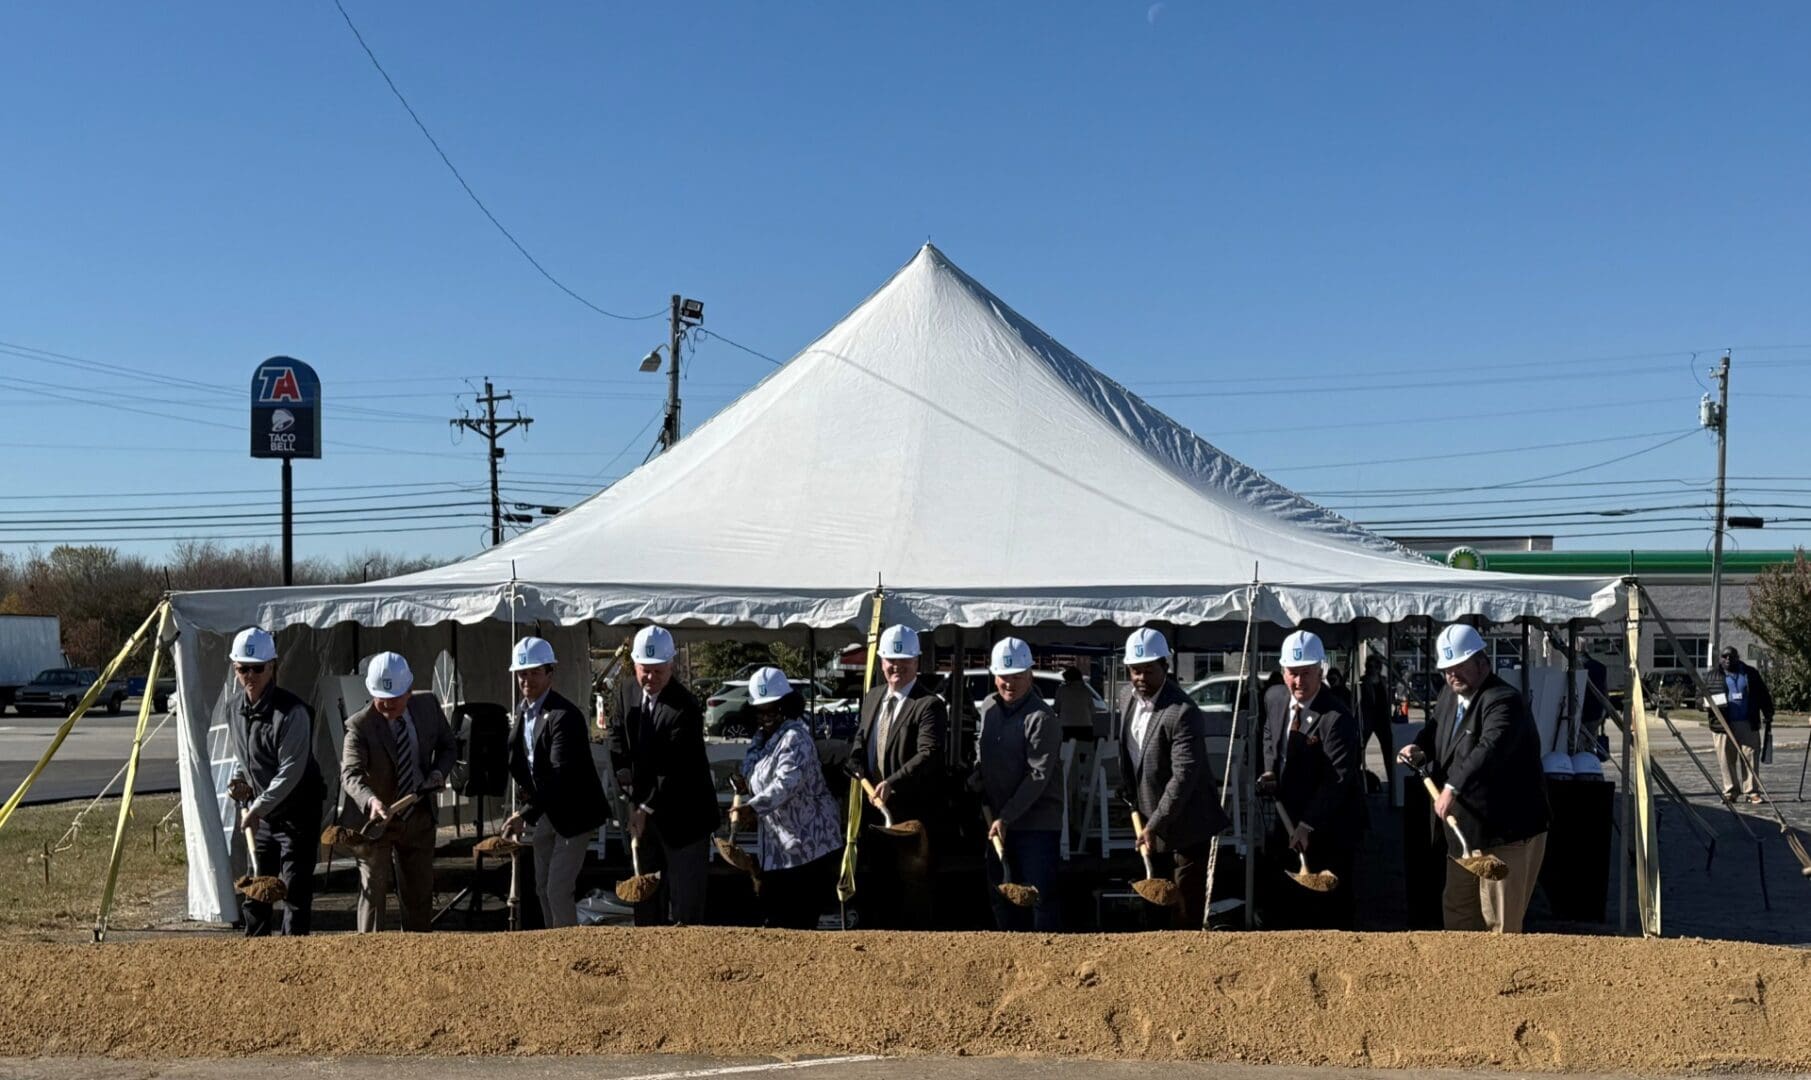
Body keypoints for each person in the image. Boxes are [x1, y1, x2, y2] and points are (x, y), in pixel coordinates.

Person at [1399, 624, 1550, 933]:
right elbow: (1436, 730)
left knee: (1500, 921)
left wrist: (1451, 788)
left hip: (1505, 833)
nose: (1452, 675)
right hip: (1464, 832)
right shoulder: (1449, 694)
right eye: (1447, 669)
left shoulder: (1503, 700)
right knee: (1458, 913)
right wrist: (1419, 747)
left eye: (1460, 666)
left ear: (1483, 663)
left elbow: (1488, 749)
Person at [1117, 627, 1229, 930]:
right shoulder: (1126, 697)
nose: (1141, 678)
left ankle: (1189, 956)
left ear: (1165, 666)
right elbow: (1131, 754)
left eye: (1148, 670)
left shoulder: (1182, 711)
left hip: (1187, 823)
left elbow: (1183, 776)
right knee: (1154, 905)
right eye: (1135, 670)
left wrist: (1155, 824)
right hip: (1149, 818)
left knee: (1184, 907)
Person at [607, 625, 719, 925]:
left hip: (685, 816)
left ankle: (688, 947)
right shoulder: (626, 690)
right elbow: (616, 733)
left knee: (685, 900)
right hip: (645, 811)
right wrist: (622, 770)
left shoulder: (685, 707)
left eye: (658, 671)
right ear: (635, 665)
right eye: (645, 670)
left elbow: (673, 768)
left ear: (671, 666)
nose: (650, 678)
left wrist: (644, 808)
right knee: (645, 894)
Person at [340, 651, 457, 933]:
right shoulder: (359, 726)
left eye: (395, 698)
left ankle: (418, 951)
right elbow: (350, 775)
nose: (388, 704)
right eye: (381, 698)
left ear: (409, 690)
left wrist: (438, 772)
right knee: (373, 892)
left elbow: (448, 745)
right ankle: (370, 952)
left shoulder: (428, 706)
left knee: (418, 894)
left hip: (418, 815)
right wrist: (371, 801)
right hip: (375, 822)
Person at [1257, 630, 1364, 929]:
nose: (1299, 682)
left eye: (1306, 673)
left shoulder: (1336, 717)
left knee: (1329, 907)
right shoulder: (1274, 698)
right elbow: (1269, 735)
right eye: (1293, 673)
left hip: (1331, 822)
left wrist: (1307, 825)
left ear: (1320, 671)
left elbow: (1338, 779)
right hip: (1288, 814)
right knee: (1286, 902)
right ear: (1283, 671)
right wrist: (1270, 769)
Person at [501, 636, 609, 928]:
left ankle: (567, 946)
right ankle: (553, 941)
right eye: (522, 673)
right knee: (541, 886)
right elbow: (520, 761)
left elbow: (559, 775)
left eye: (535, 672)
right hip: (547, 810)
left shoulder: (564, 716)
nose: (527, 680)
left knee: (558, 889)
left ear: (550, 674)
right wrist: (526, 801)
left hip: (574, 813)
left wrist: (524, 815)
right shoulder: (522, 712)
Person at [224, 626, 324, 937]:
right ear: (235, 668)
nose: (250, 676)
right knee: (257, 887)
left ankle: (293, 954)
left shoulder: (292, 713)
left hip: (298, 812)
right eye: (243, 668)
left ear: (272, 667)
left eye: (257, 668)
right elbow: (243, 756)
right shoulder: (233, 709)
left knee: (294, 890)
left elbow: (290, 771)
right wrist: (239, 780)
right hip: (264, 814)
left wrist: (257, 808)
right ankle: (256, 952)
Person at [846, 624, 946, 929]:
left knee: (913, 894)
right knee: (879, 889)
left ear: (916, 662)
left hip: (910, 818)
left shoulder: (928, 705)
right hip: (876, 815)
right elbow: (862, 738)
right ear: (881, 662)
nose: (896, 667)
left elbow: (928, 753)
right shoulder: (873, 697)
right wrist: (855, 757)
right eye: (891, 660)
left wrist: (893, 782)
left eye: (904, 661)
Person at [728, 667, 843, 929]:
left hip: (808, 848)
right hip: (778, 848)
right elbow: (757, 775)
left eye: (773, 710)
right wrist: (746, 784)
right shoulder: (760, 740)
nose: (766, 717)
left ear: (787, 706)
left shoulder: (795, 738)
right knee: (778, 923)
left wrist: (753, 808)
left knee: (797, 924)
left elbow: (786, 784)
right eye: (761, 712)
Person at [972, 638, 1063, 931]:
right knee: (1000, 895)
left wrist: (1007, 817)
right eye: (1003, 676)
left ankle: (1045, 954)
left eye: (1016, 676)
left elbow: (1038, 776)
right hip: (997, 820)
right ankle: (1010, 952)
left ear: (1030, 675)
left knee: (1038, 897)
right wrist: (978, 773)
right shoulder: (989, 707)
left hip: (1035, 824)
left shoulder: (1042, 718)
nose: (1009, 683)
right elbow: (983, 749)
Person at [1712, 645, 1774, 804]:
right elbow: (1700, 698)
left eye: (1731, 656)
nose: (1727, 659)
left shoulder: (1750, 673)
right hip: (1723, 725)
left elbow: (1763, 694)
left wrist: (1768, 712)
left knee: (1750, 756)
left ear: (1737, 658)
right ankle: (1730, 791)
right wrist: (1705, 704)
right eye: (1724, 656)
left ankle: (1752, 791)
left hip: (1747, 722)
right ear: (1720, 658)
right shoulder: (1714, 675)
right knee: (1726, 759)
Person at [1358, 655, 1396, 793]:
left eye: (1375, 666)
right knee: (1359, 750)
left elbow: (1388, 698)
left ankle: (1393, 782)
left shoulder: (1383, 680)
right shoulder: (1363, 682)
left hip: (1382, 719)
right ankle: (1357, 780)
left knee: (1388, 751)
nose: (1373, 669)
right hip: (1368, 718)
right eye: (1370, 666)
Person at [1056, 665, 1102, 740]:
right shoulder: (1086, 690)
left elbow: (1056, 708)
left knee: (1066, 747)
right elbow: (1092, 710)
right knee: (1084, 747)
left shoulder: (1062, 690)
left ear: (1068, 679)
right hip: (1085, 727)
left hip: (1066, 726)